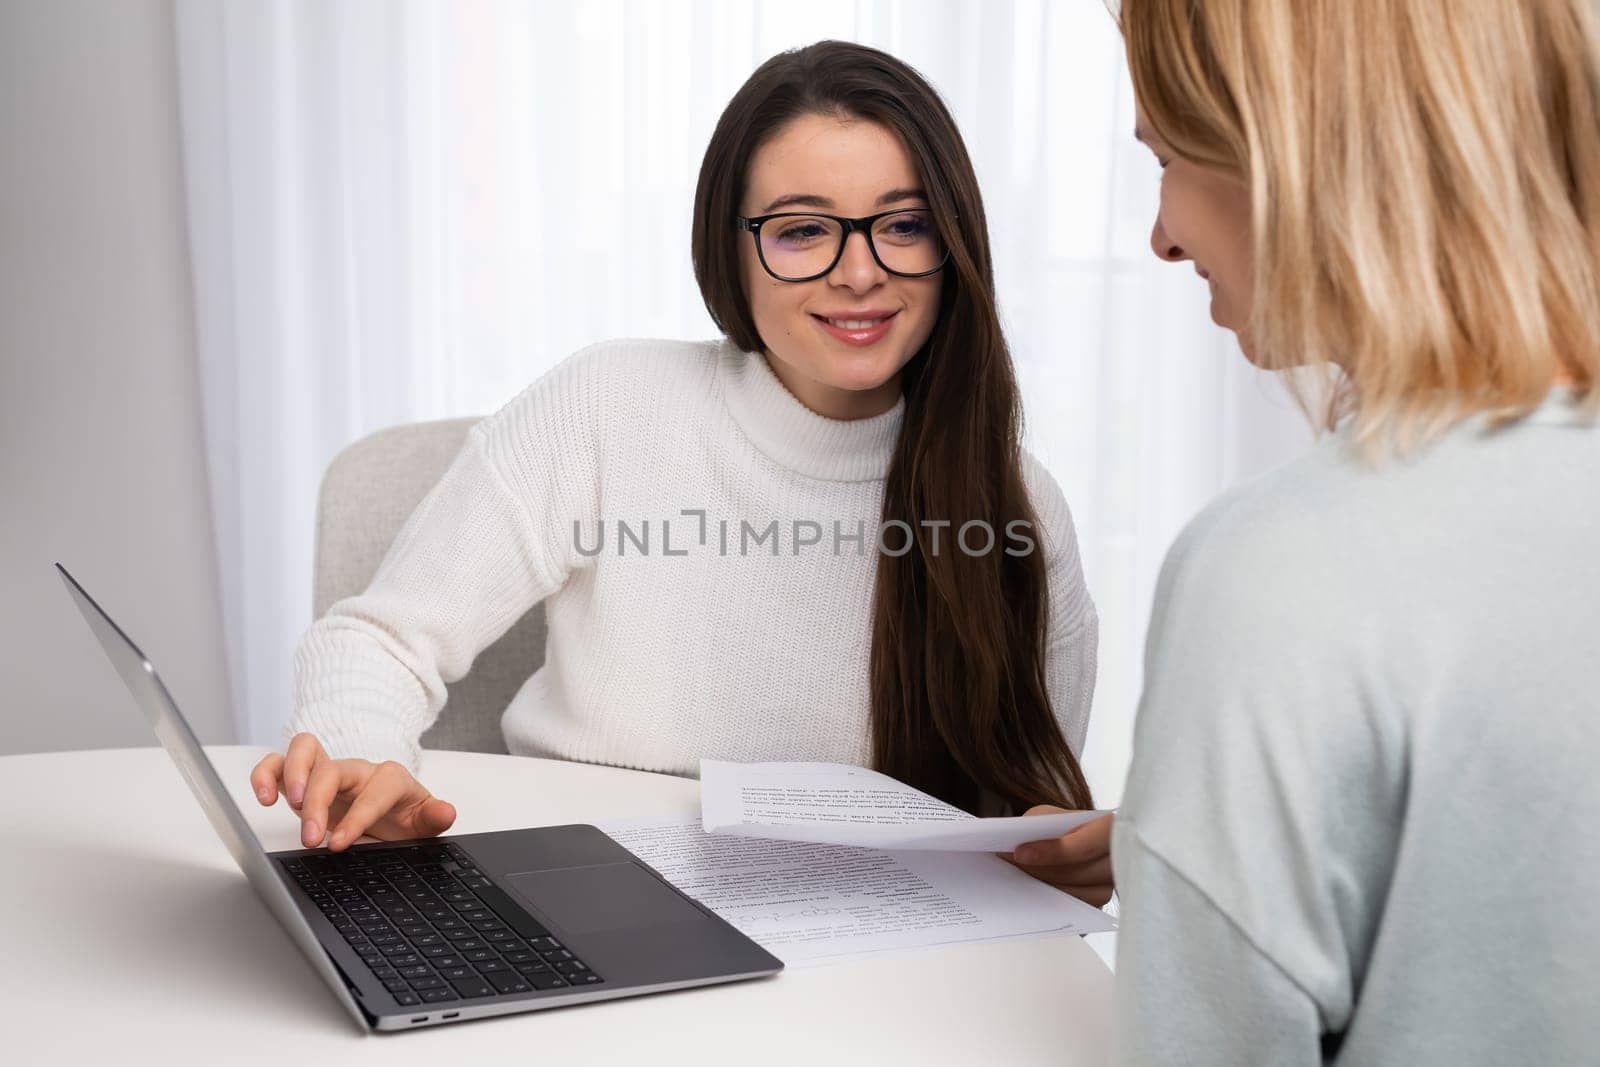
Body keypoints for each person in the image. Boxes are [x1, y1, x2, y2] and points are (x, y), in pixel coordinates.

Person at [248, 41, 1113, 903]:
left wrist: (1066, 863)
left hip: (865, 962)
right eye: (803, 229)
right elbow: (381, 639)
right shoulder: (609, 405)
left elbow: (1033, 809)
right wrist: (361, 757)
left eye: (905, 224)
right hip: (583, 903)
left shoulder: (1018, 506)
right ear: (730, 248)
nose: (860, 273)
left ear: (952, 242)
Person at [1108, 0, 1600, 1061]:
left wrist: (1206, 866)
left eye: (1166, 159)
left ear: (1291, 151)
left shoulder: (1277, 573)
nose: (1160, 232)